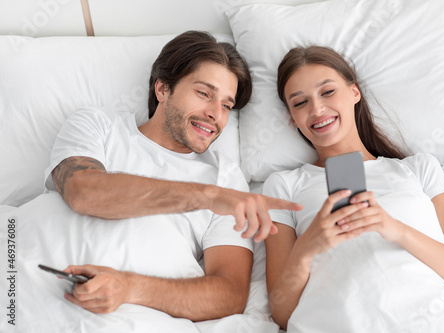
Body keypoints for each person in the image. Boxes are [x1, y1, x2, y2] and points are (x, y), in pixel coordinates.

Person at [44, 31, 302, 321]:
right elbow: (83, 192)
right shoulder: (99, 126)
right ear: (163, 89)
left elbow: (230, 294)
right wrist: (207, 196)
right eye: (204, 94)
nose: (216, 115)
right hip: (37, 291)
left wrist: (129, 287)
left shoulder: (225, 177)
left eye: (227, 105)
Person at [262, 46, 444, 330]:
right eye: (300, 102)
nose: (316, 109)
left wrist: (394, 228)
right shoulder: (283, 186)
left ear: (354, 92)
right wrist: (306, 249)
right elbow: (281, 312)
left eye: (327, 92)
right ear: (293, 119)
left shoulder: (418, 169)